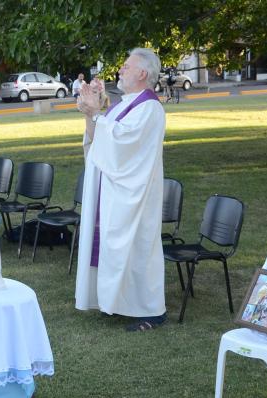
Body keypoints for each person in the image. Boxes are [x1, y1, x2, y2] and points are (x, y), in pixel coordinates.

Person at [74, 48, 167, 332]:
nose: (121, 70)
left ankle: (151, 310)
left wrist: (95, 113)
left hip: (134, 190)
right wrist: (91, 114)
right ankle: (115, 302)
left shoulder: (149, 107)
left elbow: (123, 143)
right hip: (114, 187)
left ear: (143, 73)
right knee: (116, 249)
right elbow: (100, 138)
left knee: (138, 248)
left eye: (127, 66)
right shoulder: (125, 103)